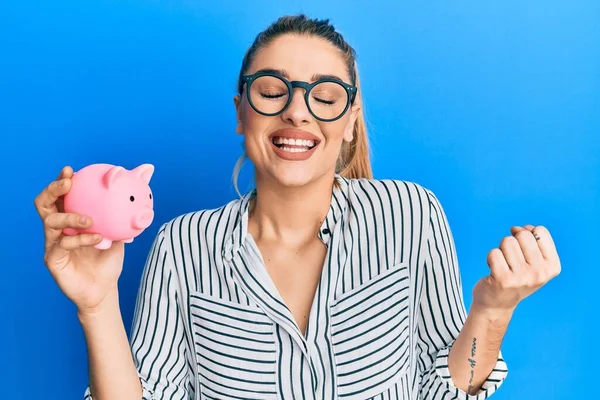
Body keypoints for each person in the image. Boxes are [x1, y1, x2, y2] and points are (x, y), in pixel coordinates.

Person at [34, 13, 561, 400]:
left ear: (351, 118)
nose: (296, 112)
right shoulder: (182, 246)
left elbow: (452, 386)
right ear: (242, 114)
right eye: (272, 90)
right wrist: (97, 304)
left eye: (325, 96)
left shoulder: (411, 215)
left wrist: (493, 310)